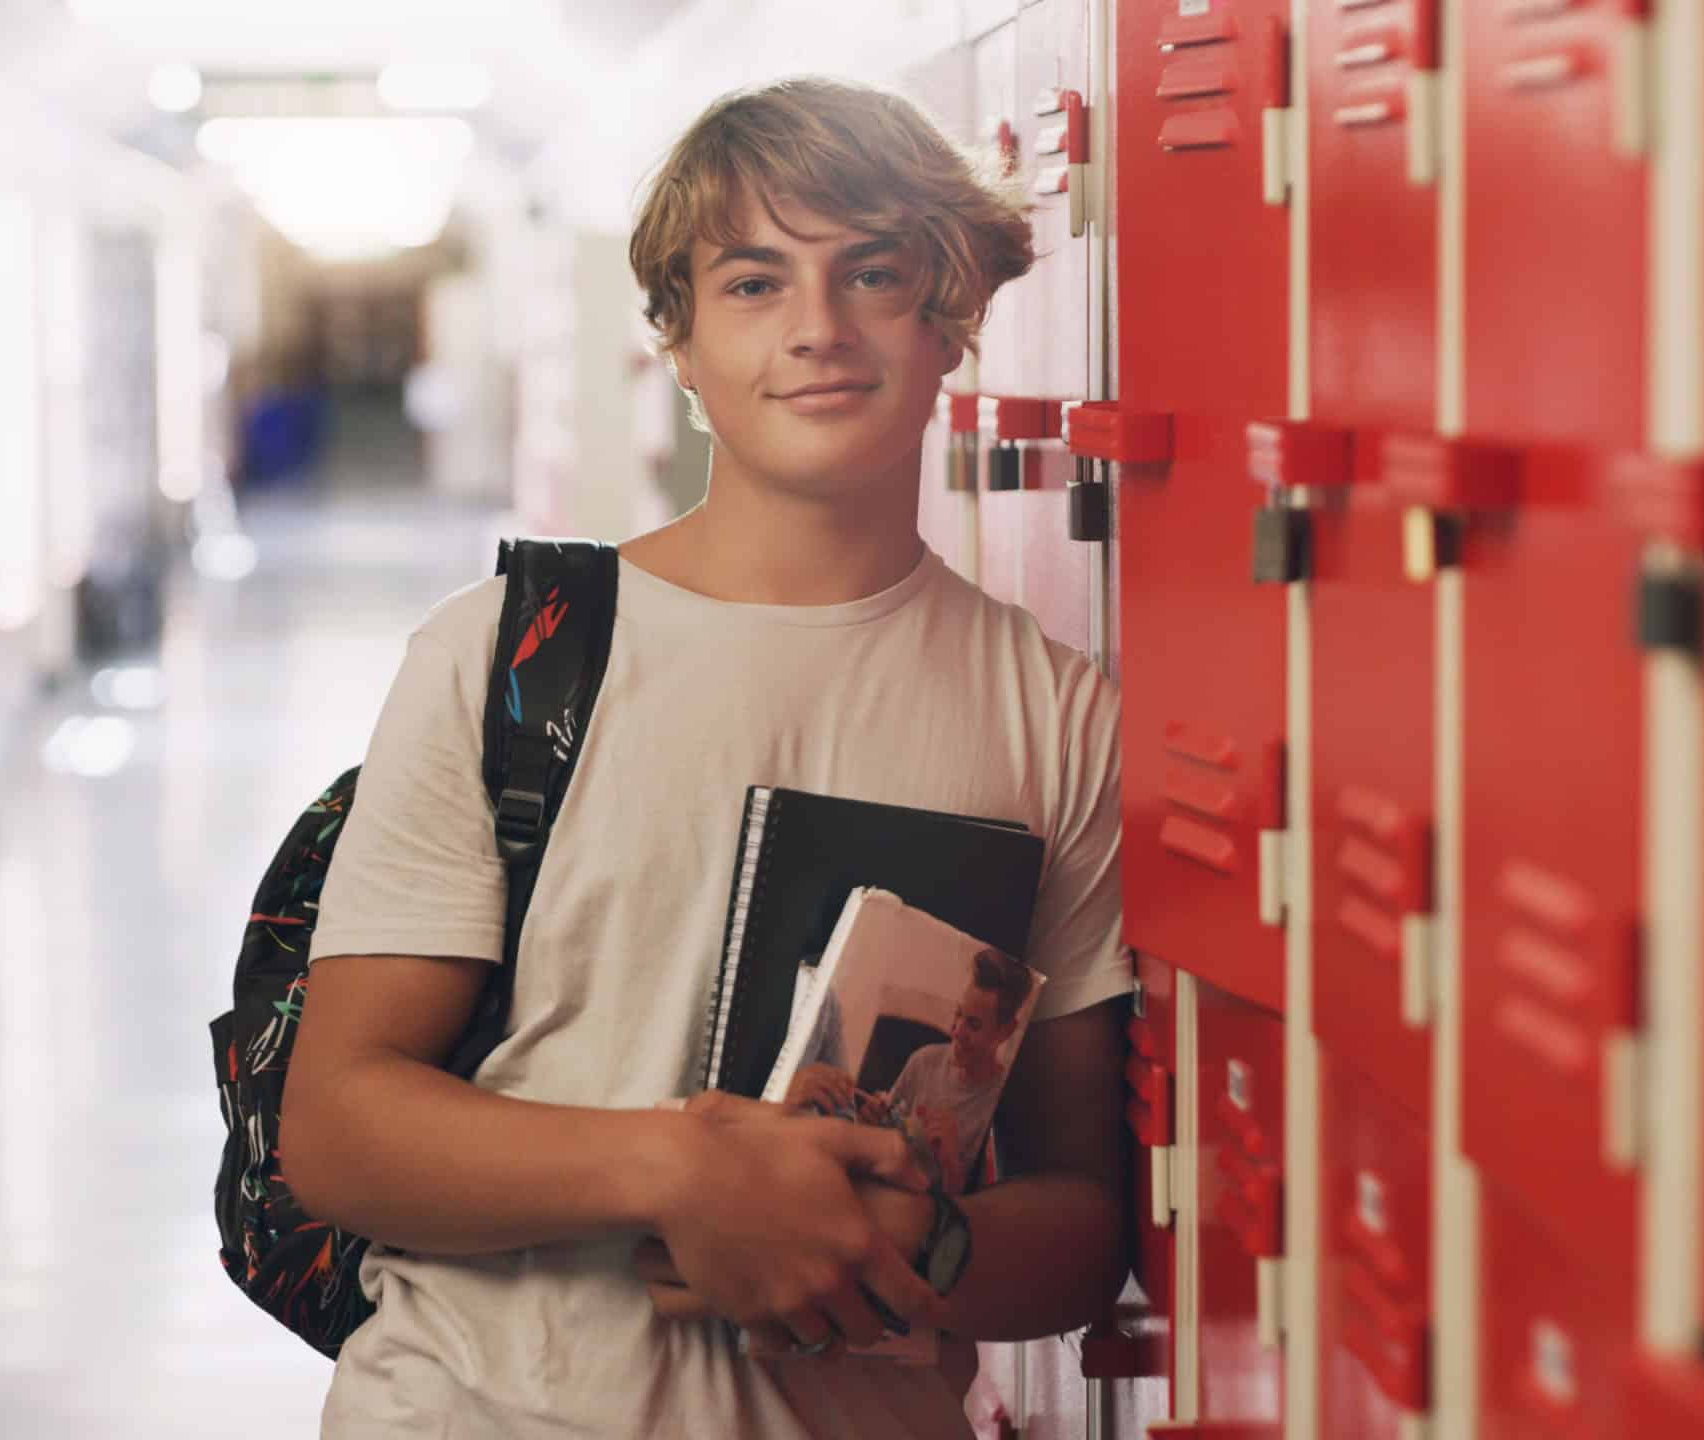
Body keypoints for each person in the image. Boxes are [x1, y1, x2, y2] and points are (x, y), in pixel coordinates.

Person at [280, 76, 1130, 1438]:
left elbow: (1088, 1215)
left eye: (872, 273)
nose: (816, 330)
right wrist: (677, 1172)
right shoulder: (509, 655)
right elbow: (336, 1127)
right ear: (674, 342)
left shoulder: (1056, 713)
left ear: (951, 320)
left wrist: (916, 1245)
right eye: (751, 283)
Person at [786, 947, 1038, 1193]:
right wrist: (870, 1117)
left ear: (1005, 1031)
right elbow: (881, 1129)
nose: (956, 1031)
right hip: (874, 1176)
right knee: (825, 1003)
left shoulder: (1000, 1103)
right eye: (958, 1015)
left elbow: (968, 1216)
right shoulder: (925, 1060)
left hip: (912, 1206)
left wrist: (950, 1161)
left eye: (972, 1025)